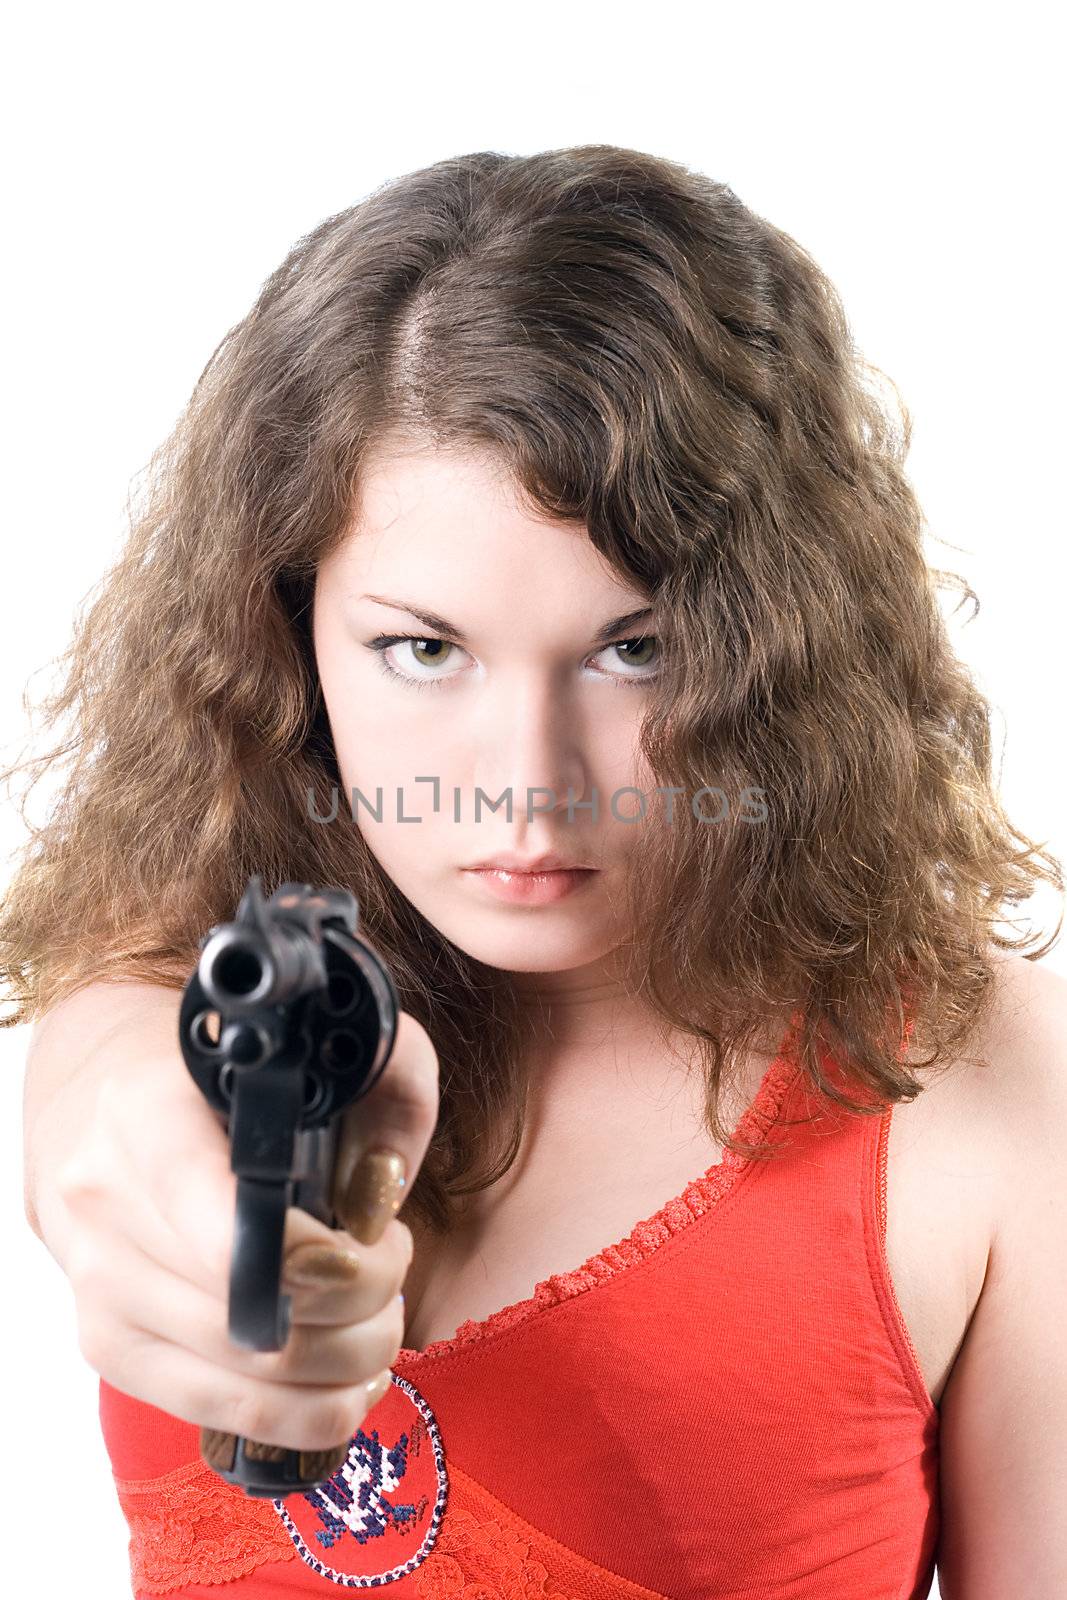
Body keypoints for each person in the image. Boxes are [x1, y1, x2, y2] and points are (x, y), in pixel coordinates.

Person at [6, 143, 1066, 1598]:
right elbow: (107, 1112)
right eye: (424, 650)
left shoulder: (975, 1074)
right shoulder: (180, 989)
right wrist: (135, 1139)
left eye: (638, 649)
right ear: (287, 639)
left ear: (783, 646)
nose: (525, 780)